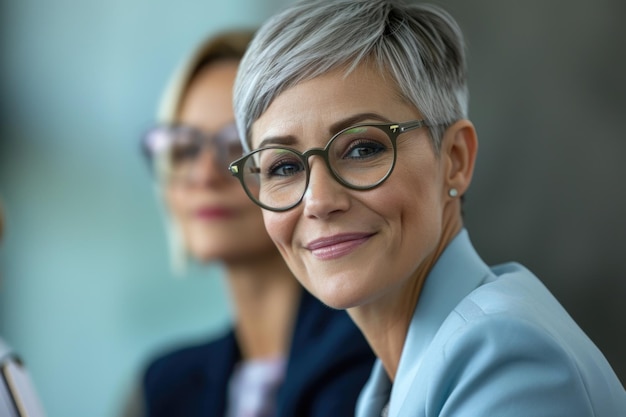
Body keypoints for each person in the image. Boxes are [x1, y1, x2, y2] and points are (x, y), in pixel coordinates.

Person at [228, 1, 626, 416]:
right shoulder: (390, 383)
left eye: (363, 148)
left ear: (454, 159)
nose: (320, 201)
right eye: (284, 166)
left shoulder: (505, 358)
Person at [136, 30, 375, 417]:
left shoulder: (374, 355)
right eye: (182, 148)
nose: (204, 175)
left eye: (236, 147)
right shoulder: (166, 384)